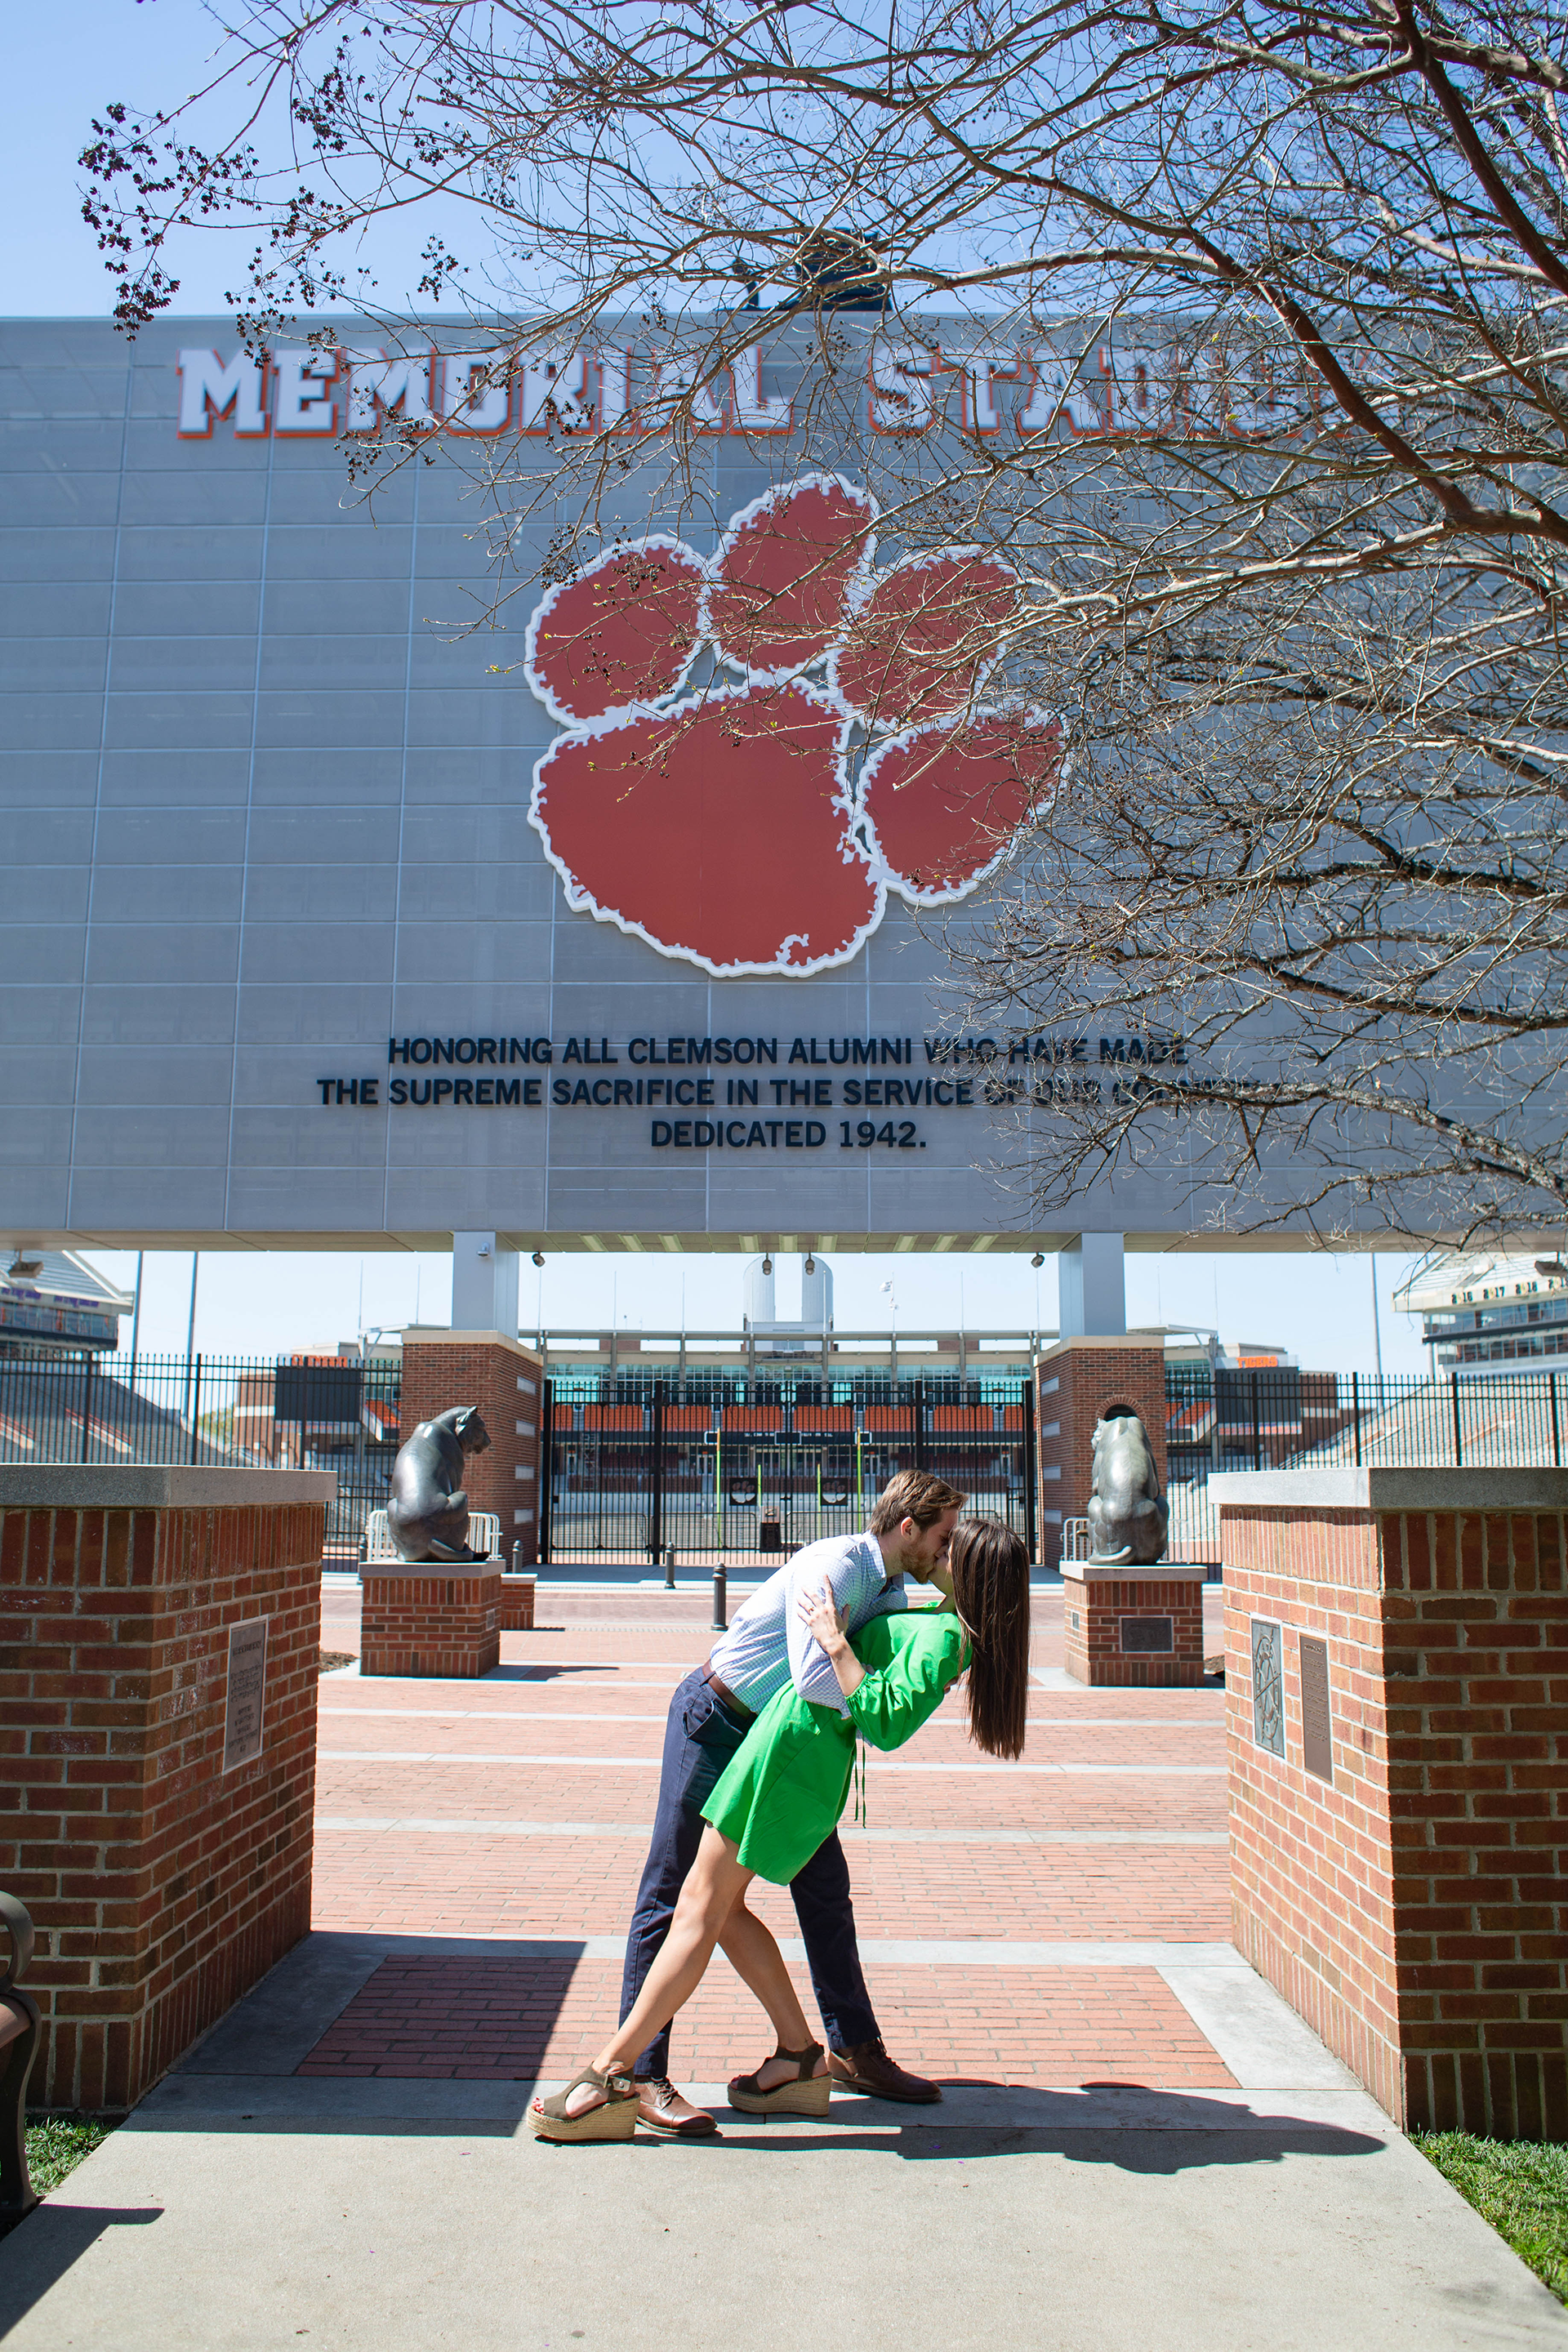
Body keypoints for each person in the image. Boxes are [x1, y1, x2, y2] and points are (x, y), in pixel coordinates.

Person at [529, 1516, 1031, 2141]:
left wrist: (835, 1643)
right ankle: (796, 2054)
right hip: (788, 1751)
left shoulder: (947, 1638)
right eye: (943, 1536)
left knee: (698, 1910)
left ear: (975, 1572)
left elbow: (886, 1723)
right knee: (719, 1909)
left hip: (793, 1759)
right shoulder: (933, 1619)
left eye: (954, 1547)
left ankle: (610, 2075)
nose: (942, 1549)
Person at [612, 1469, 968, 2138]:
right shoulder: (833, 1566)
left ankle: (852, 2051)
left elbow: (902, 1649)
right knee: (671, 1895)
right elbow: (814, 1680)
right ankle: (640, 2076)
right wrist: (868, 1695)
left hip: (774, 1750)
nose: (948, 1553)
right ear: (909, 1529)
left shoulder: (889, 1587)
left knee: (826, 1891)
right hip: (716, 1721)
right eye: (944, 1539)